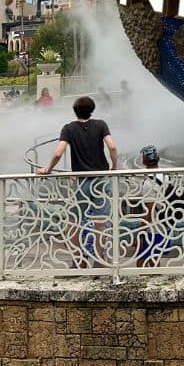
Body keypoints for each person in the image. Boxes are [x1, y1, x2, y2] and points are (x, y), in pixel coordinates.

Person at [38, 96, 119, 263]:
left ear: (74, 111)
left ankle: (78, 260)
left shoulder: (68, 129)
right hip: (100, 181)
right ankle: (100, 260)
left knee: (74, 222)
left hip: (81, 182)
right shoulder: (101, 125)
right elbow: (112, 146)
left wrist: (49, 169)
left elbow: (58, 152)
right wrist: (114, 167)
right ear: (92, 110)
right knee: (100, 224)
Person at [135, 145, 170, 268]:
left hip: (152, 229)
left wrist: (141, 232)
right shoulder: (165, 176)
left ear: (144, 161)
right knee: (154, 261)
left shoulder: (148, 183)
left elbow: (148, 211)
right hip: (164, 225)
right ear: (158, 159)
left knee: (141, 261)